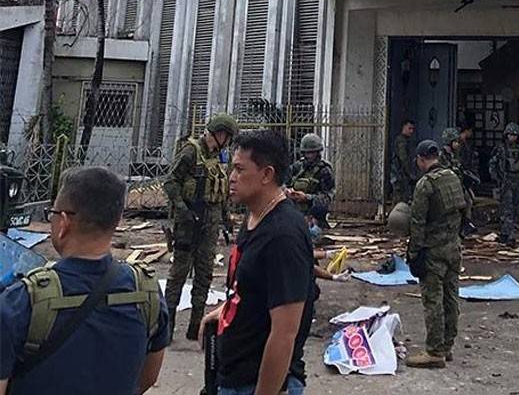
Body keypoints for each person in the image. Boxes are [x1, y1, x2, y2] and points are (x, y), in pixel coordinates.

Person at [0, 167, 169, 395]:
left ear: (64, 223)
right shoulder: (147, 292)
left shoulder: (20, 303)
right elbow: (148, 377)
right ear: (117, 221)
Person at [200, 129, 316, 395]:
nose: (231, 178)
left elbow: (285, 333)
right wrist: (223, 312)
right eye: (232, 169)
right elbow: (251, 287)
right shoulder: (255, 217)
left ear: (267, 175)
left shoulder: (283, 235)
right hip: (232, 374)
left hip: (257, 383)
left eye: (240, 170)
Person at [164, 113, 239, 341]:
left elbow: (222, 191)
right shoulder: (190, 152)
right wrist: (182, 209)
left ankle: (195, 327)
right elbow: (170, 182)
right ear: (219, 134)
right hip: (189, 222)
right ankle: (166, 329)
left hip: (211, 222)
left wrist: (226, 219)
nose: (227, 141)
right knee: (179, 273)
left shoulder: (219, 157)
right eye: (227, 136)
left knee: (204, 273)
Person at [406, 140, 466, 369]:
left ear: (421, 159)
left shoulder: (425, 185)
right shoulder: (452, 177)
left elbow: (417, 222)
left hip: (433, 250)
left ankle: (434, 351)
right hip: (453, 246)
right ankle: (447, 345)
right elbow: (464, 208)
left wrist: (414, 253)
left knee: (433, 299)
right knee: (451, 297)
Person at [489, 123, 519, 246]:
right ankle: (508, 236)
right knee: (507, 210)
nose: (512, 137)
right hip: (506, 182)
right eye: (510, 135)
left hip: (518, 182)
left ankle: (507, 234)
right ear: (506, 135)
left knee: (515, 209)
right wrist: (497, 180)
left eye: (515, 135)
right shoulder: (501, 149)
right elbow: (493, 165)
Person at [286, 133, 336, 241]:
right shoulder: (297, 167)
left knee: (312, 235)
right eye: (307, 153)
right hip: (294, 212)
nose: (309, 156)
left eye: (312, 153)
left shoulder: (324, 170)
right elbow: (282, 183)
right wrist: (288, 191)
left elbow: (327, 197)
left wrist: (307, 197)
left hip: (313, 215)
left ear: (318, 152)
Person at [439, 127, 477, 235]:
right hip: (447, 187)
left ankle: (466, 225)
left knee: (468, 200)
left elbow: (460, 168)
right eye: (455, 141)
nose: (457, 144)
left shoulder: (454, 155)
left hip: (458, 186)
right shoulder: (442, 156)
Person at [391, 120, 417, 205]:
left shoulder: (405, 140)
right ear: (403, 127)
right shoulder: (401, 141)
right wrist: (409, 173)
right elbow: (403, 158)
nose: (411, 131)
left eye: (412, 129)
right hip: (399, 174)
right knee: (400, 199)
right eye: (409, 128)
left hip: (401, 174)